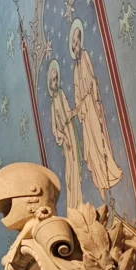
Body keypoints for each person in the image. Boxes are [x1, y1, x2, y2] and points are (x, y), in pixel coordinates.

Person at [69, 19, 123, 200]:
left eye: (77, 42)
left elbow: (92, 81)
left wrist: (97, 102)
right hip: (84, 113)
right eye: (73, 44)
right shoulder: (75, 68)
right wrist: (75, 111)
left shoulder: (84, 57)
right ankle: (100, 182)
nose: (75, 46)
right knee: (91, 148)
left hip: (91, 106)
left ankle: (109, 175)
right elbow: (77, 93)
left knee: (100, 144)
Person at [47, 59, 82, 209]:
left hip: (71, 130)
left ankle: (78, 197)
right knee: (70, 168)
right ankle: (73, 202)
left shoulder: (61, 94)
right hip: (66, 136)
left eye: (56, 79)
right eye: (53, 81)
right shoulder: (53, 103)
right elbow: (55, 128)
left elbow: (68, 112)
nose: (55, 83)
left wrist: (78, 109)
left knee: (77, 162)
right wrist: (63, 137)